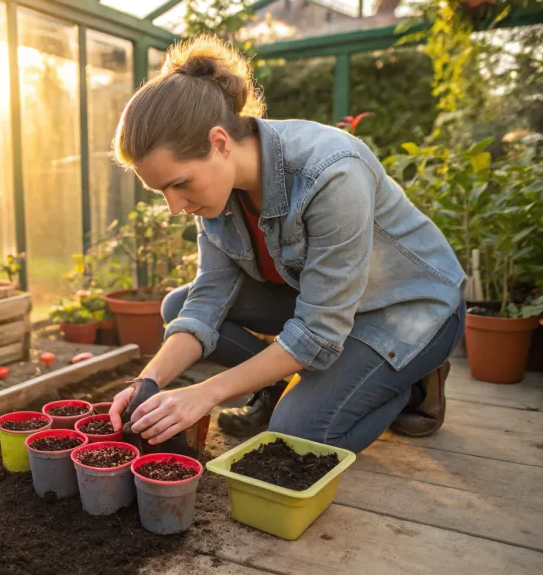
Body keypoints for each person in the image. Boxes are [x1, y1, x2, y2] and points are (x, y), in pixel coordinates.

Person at [107, 35, 466, 454]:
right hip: (328, 305)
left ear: (219, 143)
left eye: (179, 184)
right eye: (161, 192)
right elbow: (207, 302)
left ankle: (411, 382)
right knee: (179, 308)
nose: (174, 207)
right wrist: (146, 382)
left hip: (407, 310)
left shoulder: (332, 172)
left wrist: (206, 392)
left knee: (297, 435)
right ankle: (284, 385)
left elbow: (318, 333)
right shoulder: (216, 196)